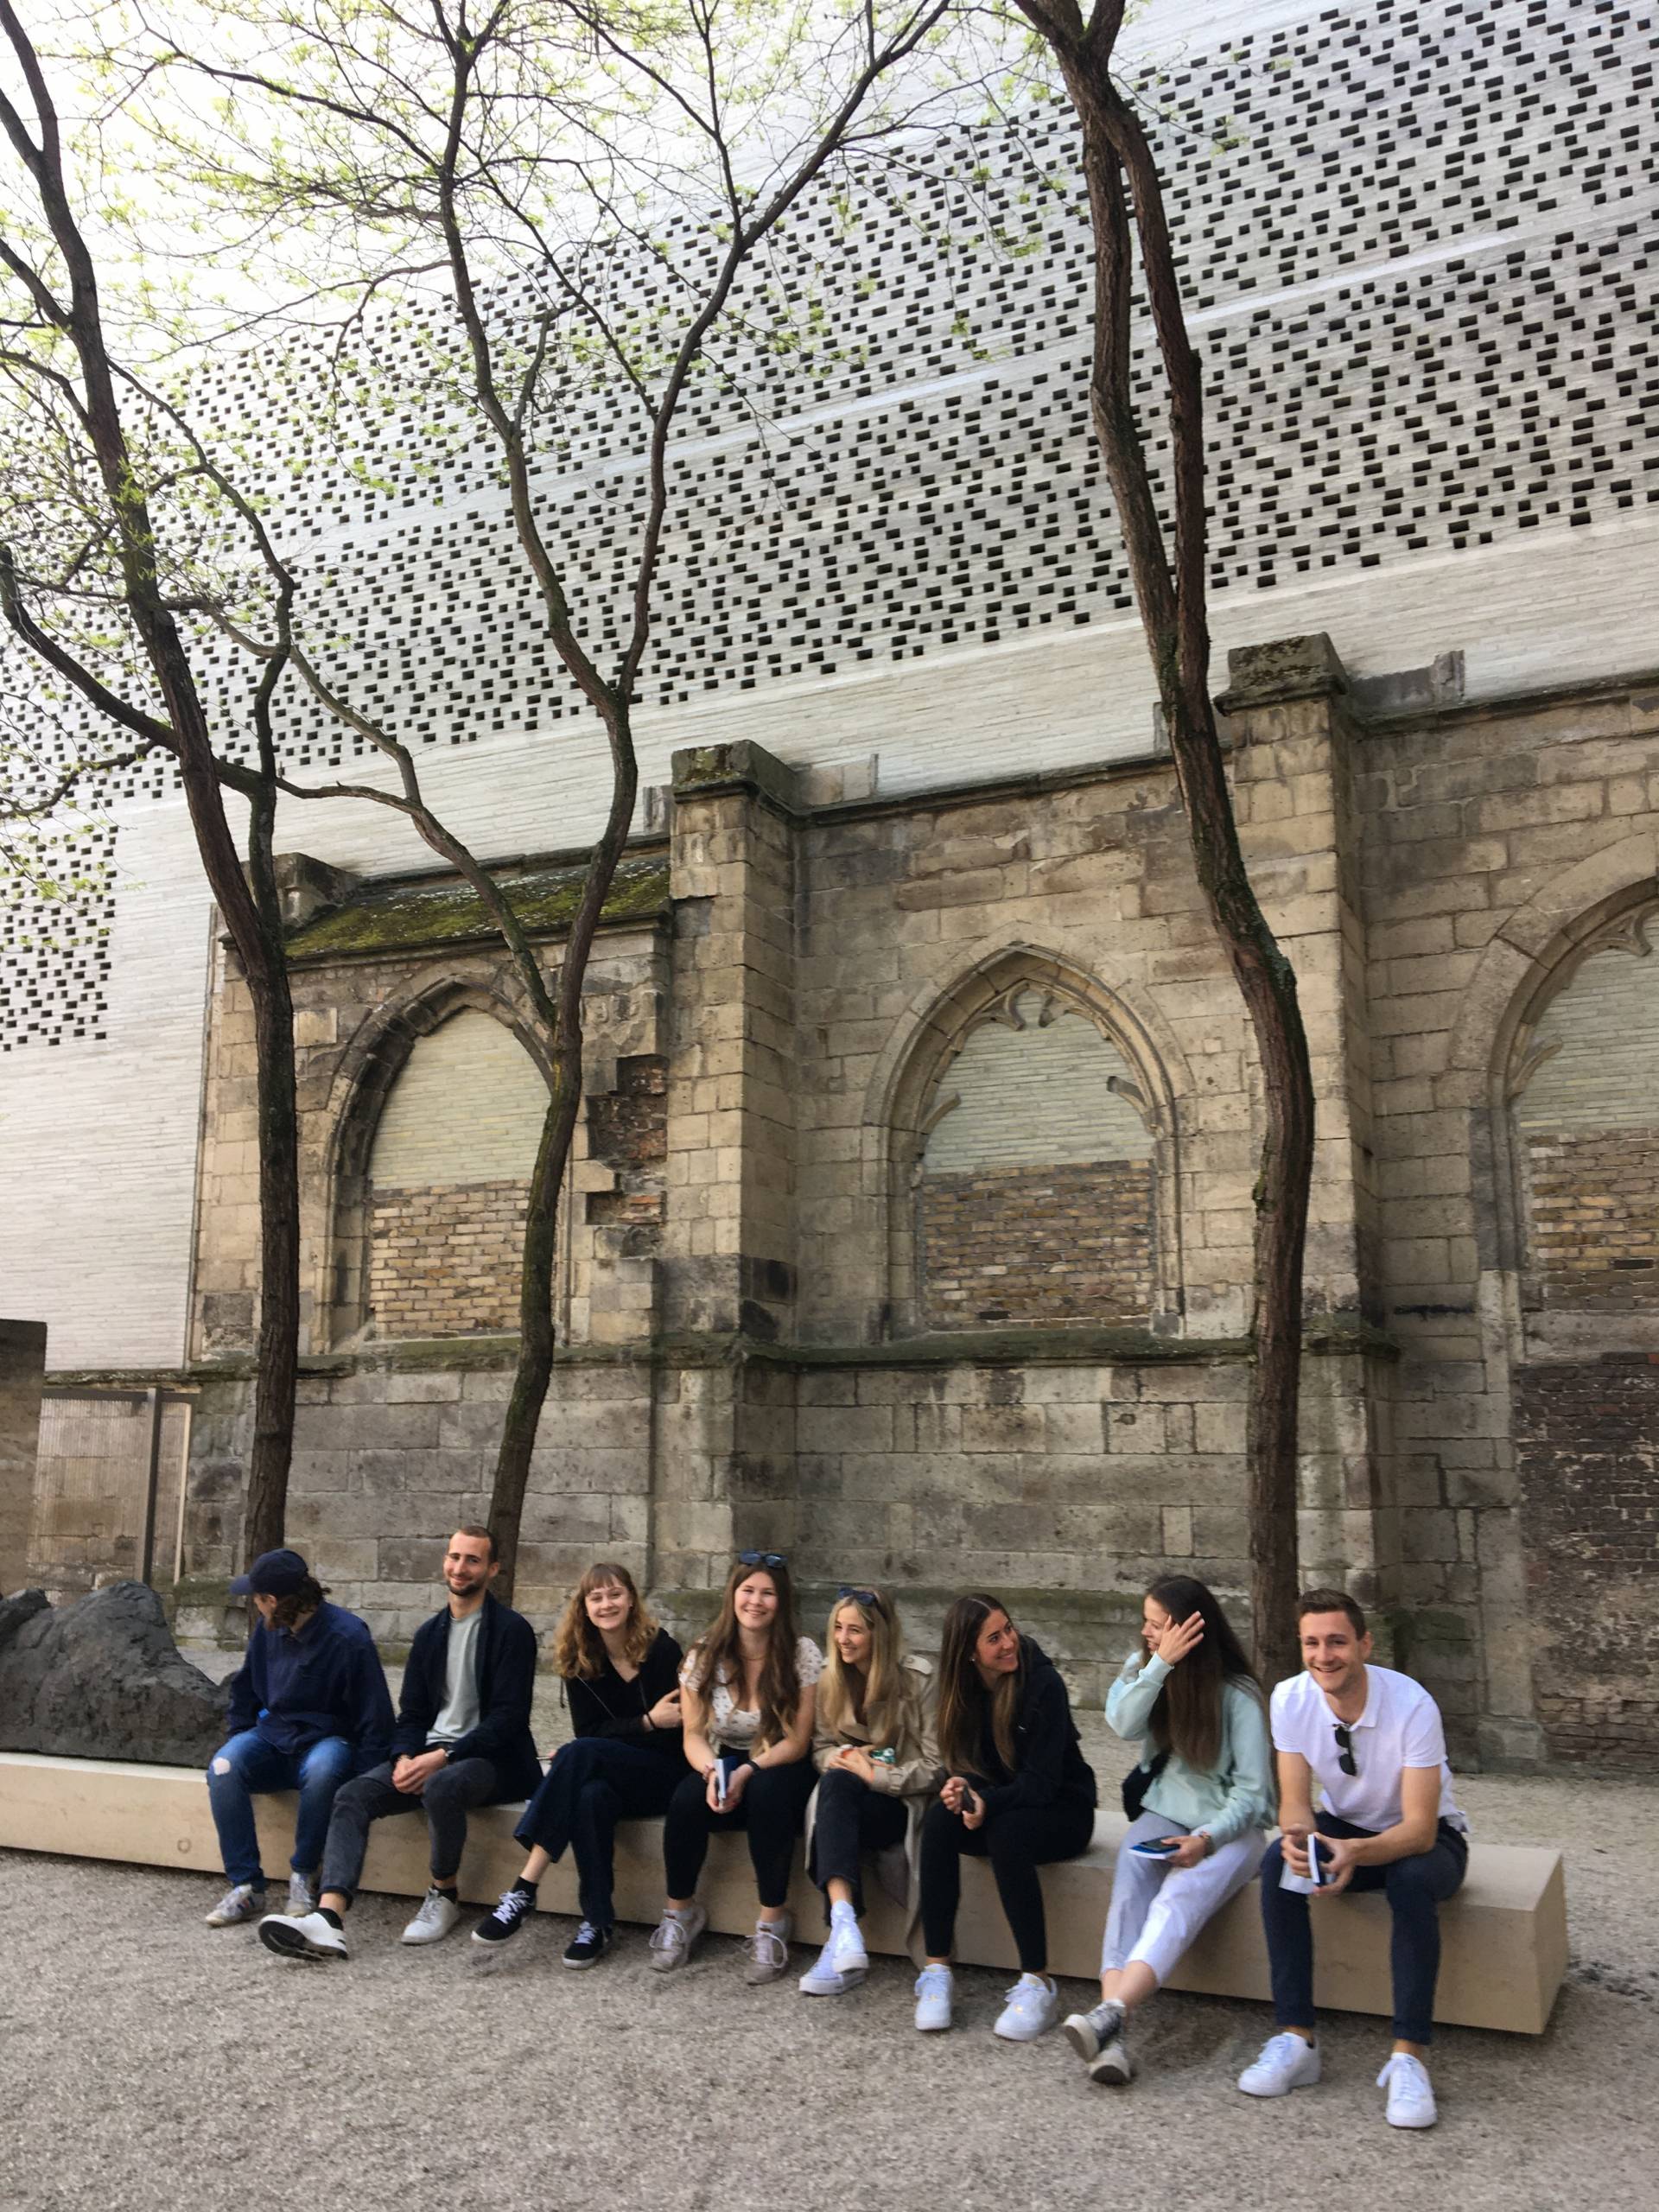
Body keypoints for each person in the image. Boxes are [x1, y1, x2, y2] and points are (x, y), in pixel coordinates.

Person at [1237, 1586, 1471, 2130]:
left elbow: (1417, 1830)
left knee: (1410, 1882)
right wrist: (1302, 1842)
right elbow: (1295, 1801)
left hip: (1430, 1838)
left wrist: (1353, 1854)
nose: (1324, 1656)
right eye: (1312, 1643)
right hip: (1347, 1830)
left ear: (1364, 1644)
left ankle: (1407, 2058)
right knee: (1278, 1863)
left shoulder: (1413, 1704)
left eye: (1338, 1641)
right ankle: (1297, 2040)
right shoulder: (1290, 1698)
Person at [255, 1525, 539, 1960]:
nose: (459, 1568)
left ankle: (443, 1894)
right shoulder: (429, 1634)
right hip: (430, 1753)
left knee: (443, 1785)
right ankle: (329, 1918)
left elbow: (509, 1719)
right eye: (454, 1557)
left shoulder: (512, 1632)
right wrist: (406, 1755)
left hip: (492, 1760)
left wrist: (443, 1757)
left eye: (472, 1560)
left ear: (493, 1569)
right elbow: (412, 1715)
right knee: (351, 1795)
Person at [1062, 1575, 1274, 2084]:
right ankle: (1113, 2030)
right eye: (1147, 1623)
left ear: (1190, 1629)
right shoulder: (1146, 1667)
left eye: (1157, 1625)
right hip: (1164, 1812)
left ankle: (1110, 2018)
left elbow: (1254, 1796)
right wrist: (1159, 1665)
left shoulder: (1238, 1696)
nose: (1147, 1632)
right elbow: (1122, 1724)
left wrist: (1207, 1839)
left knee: (1178, 1898)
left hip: (1232, 1831)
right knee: (1130, 1890)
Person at [471, 1561, 685, 1967]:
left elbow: (674, 1733)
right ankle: (597, 1922)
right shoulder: (579, 1662)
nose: (607, 1604)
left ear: (631, 1599)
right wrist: (646, 1722)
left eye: (615, 1594)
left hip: (667, 1773)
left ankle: (524, 1887)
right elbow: (593, 1731)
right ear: (584, 1607)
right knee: (590, 1794)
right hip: (616, 1775)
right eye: (596, 1597)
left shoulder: (663, 1651)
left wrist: (632, 1731)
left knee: (578, 1753)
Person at [913, 1592, 1096, 2041]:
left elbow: (1040, 1785)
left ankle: (1037, 1981)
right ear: (968, 1652)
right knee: (937, 1821)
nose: (1008, 1642)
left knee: (1008, 1835)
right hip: (998, 1807)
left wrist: (987, 1805)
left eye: (1008, 1630)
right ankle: (937, 1972)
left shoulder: (1043, 1684)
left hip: (1062, 1813)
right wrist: (962, 1791)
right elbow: (966, 1766)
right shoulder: (958, 1691)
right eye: (993, 1638)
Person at [650, 1550, 822, 1985]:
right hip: (725, 1756)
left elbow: (798, 1742)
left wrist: (749, 1771)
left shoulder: (801, 1653)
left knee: (768, 1795)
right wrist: (713, 1773)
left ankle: (772, 1923)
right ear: (733, 1596)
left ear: (781, 1602)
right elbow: (691, 1734)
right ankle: (680, 1914)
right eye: (748, 1591)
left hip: (782, 1759)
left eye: (767, 1593)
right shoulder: (704, 1654)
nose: (756, 1602)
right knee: (686, 1800)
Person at [202, 1547, 394, 1928]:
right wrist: (240, 1739)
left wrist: (369, 1780)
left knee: (324, 1769)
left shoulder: (349, 1637)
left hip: (329, 1740)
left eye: (257, 1600)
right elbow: (245, 1690)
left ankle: (303, 1877)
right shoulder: (268, 1630)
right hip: (274, 1736)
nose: (255, 1607)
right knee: (223, 1766)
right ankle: (246, 1887)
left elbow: (376, 1713)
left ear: (272, 1601)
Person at [797, 1585, 940, 1997]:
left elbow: (937, 1766)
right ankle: (844, 1927)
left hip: (899, 1804)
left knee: (836, 1797)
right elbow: (820, 1749)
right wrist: (844, 1759)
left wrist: (876, 1774)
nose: (843, 1639)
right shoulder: (830, 1678)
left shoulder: (917, 1680)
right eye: (838, 1628)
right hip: (848, 1799)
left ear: (880, 1634)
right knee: (837, 1782)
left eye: (855, 1630)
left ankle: (839, 1937)